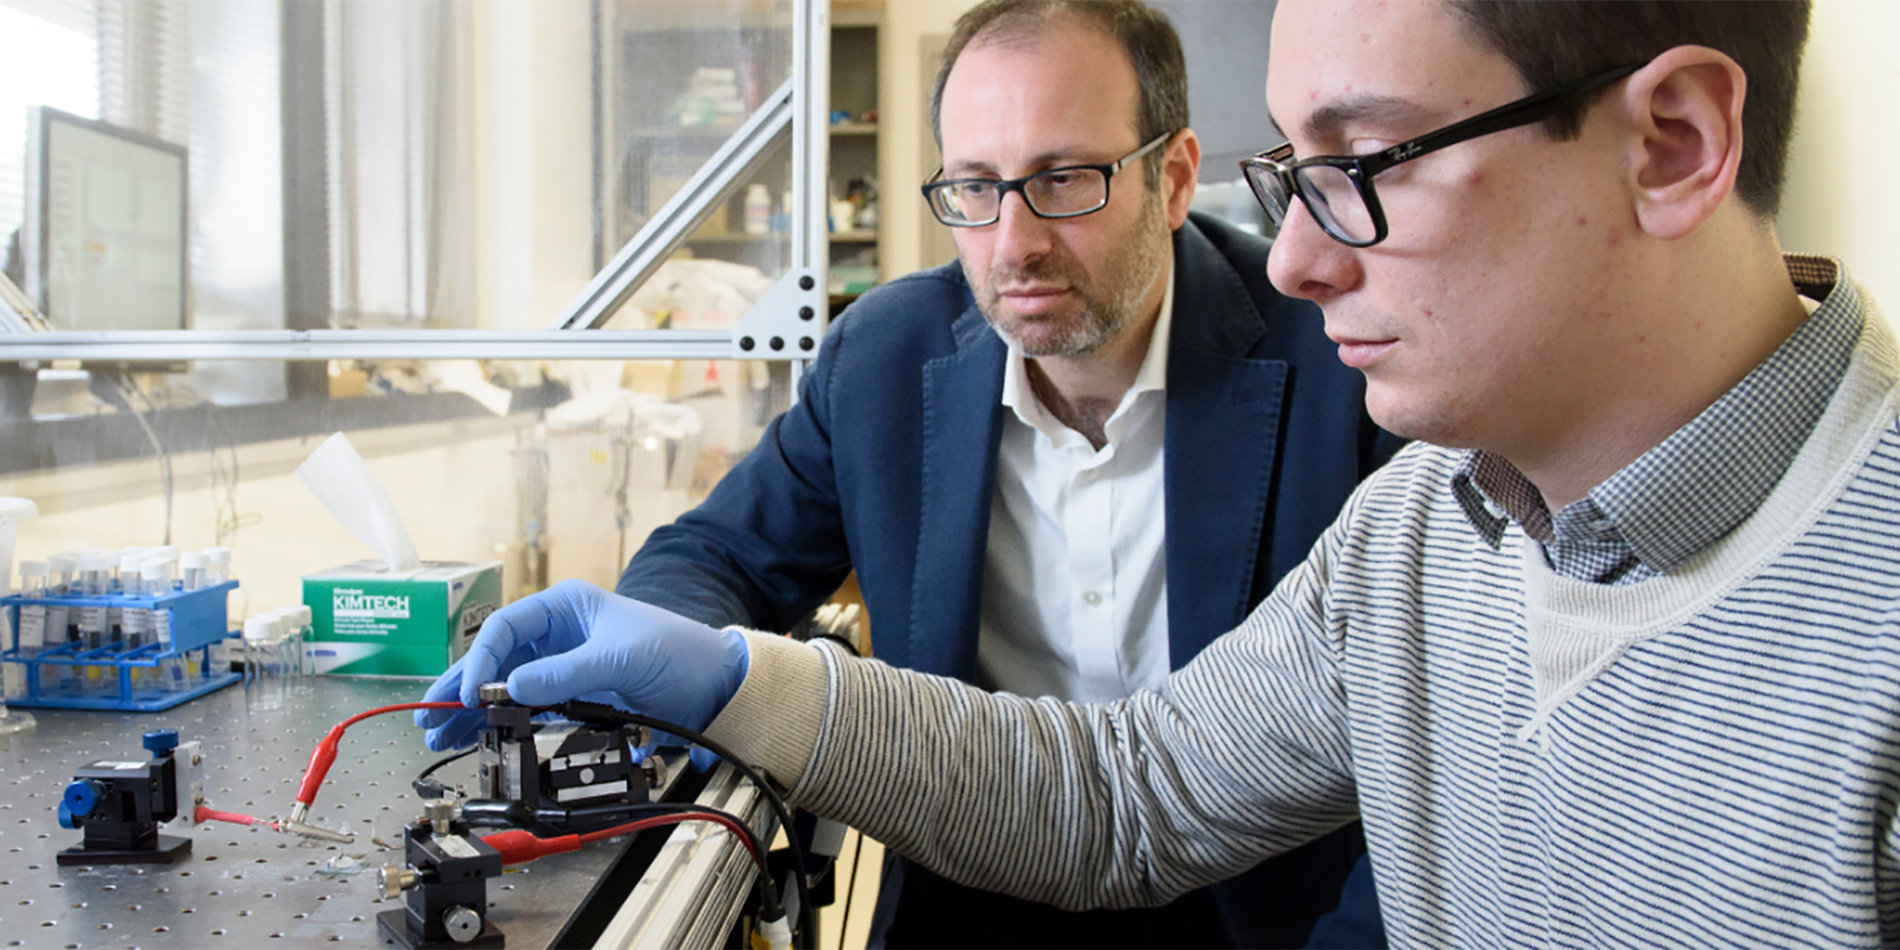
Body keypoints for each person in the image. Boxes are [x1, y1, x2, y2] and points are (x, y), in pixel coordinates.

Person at [422, 0, 1897, 944]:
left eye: (1363, 162)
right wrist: (728, 669)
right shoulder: (1429, 531)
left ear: (1674, 141)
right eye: (1294, 176)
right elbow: (1125, 792)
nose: (1307, 261)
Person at [428, 2, 1394, 947]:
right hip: (972, 883)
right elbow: (719, 553)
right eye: (975, 187)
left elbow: (1423, 769)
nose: (1013, 243)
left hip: (1262, 912)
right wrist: (650, 666)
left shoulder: (1347, 362)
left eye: (1065, 180)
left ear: (1176, 178)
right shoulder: (886, 358)